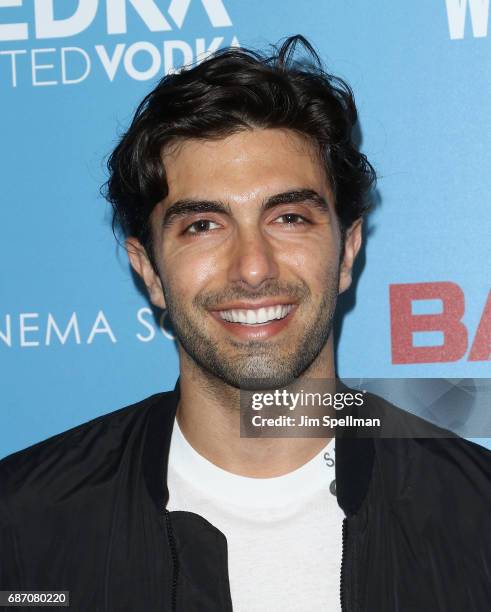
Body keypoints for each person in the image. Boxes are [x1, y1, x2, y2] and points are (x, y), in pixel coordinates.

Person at [1, 35, 490, 612]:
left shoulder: (476, 517)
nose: (253, 267)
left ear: (348, 252)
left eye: (288, 217)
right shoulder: (23, 526)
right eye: (203, 225)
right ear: (149, 271)